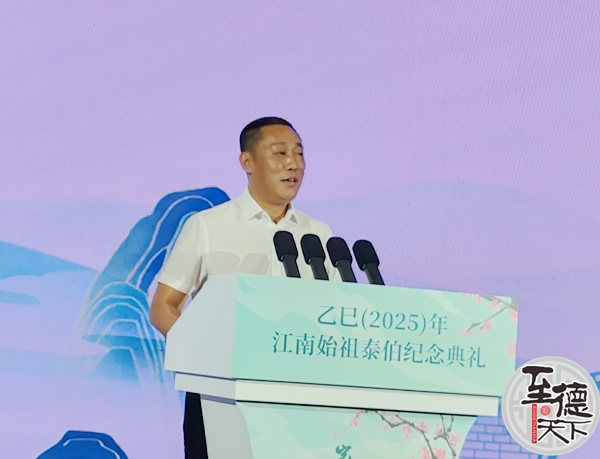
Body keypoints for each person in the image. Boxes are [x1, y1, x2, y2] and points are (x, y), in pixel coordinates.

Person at [149, 116, 339, 459]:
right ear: (247, 162)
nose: (293, 164)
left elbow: (334, 312)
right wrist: (206, 357)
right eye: (280, 153)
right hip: (219, 392)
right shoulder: (208, 226)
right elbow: (164, 306)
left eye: (299, 154)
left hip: (297, 396)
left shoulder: (318, 234)